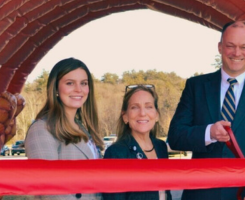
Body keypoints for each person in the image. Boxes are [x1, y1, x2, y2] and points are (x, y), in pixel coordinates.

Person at [167, 20, 245, 200]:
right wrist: (209, 133)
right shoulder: (196, 86)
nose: (237, 53)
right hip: (201, 194)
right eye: (230, 46)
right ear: (220, 47)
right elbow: (175, 136)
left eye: (243, 47)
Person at [25, 57, 104, 200]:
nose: (78, 89)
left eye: (84, 83)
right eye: (70, 83)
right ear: (55, 88)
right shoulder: (41, 129)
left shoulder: (82, 128)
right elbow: (50, 190)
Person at [103, 84, 172, 200]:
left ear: (157, 115)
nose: (142, 113)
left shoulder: (161, 147)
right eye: (135, 107)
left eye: (148, 106)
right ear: (125, 116)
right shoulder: (116, 153)